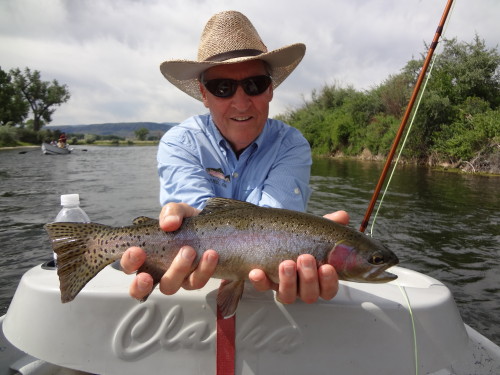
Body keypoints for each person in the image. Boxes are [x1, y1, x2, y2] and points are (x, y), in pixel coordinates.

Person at [121, 11, 349, 306]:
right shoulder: (180, 142)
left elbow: (271, 230)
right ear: (204, 94)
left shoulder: (291, 144)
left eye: (254, 85)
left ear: (270, 89)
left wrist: (316, 239)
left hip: (269, 296)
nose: (241, 103)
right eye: (223, 88)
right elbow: (198, 215)